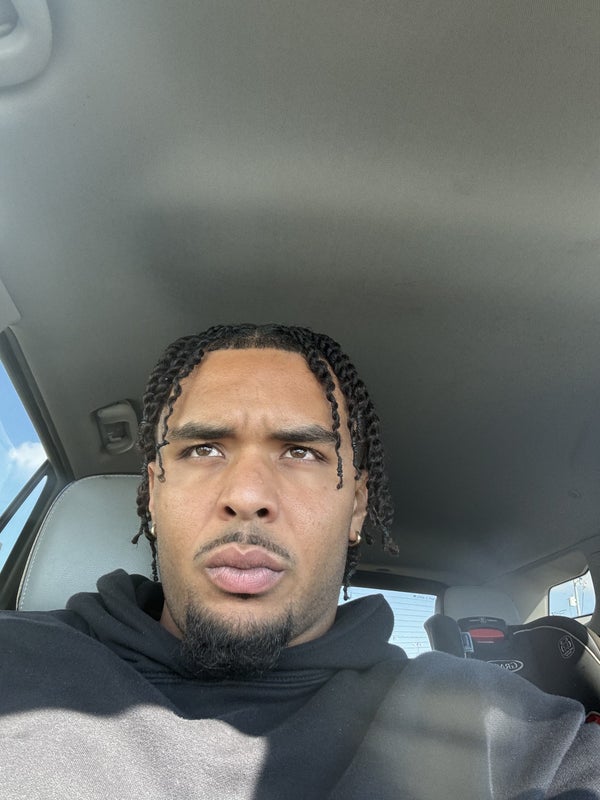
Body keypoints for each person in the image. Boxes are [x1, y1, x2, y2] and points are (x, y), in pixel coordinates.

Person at [1, 322, 599, 799]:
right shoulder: (15, 659)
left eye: (301, 452)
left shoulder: (505, 729)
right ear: (154, 493)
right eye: (204, 448)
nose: (248, 495)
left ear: (357, 507)